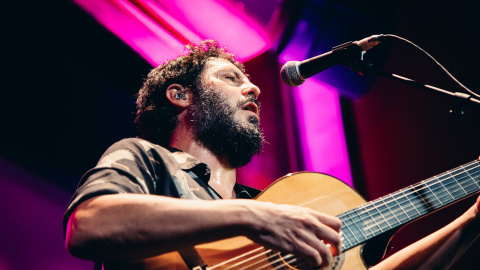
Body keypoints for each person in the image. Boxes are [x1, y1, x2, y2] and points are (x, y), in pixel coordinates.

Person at [64, 40, 480, 269]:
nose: (255, 89)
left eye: (249, 80)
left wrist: (470, 222)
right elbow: (88, 226)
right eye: (231, 78)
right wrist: (257, 218)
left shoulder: (272, 209)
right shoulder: (147, 159)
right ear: (179, 96)